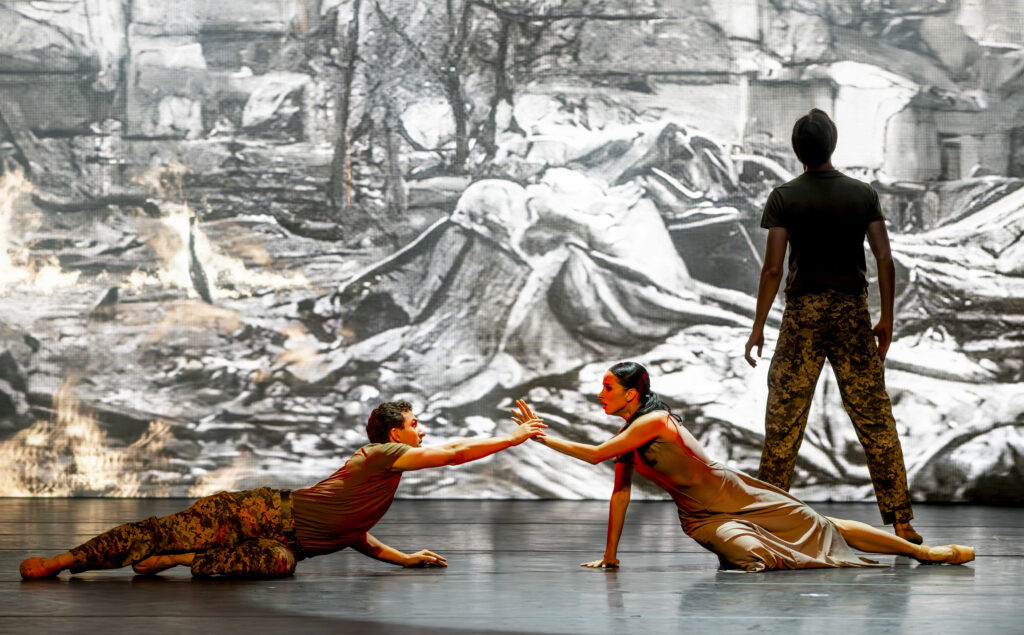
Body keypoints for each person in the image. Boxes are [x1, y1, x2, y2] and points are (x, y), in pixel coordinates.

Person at [518, 361, 972, 572]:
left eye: (607, 387)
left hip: (737, 494)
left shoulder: (653, 422)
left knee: (818, 525)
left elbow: (594, 454)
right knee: (751, 558)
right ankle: (797, 554)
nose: (601, 395)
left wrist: (538, 435)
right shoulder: (628, 440)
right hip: (699, 517)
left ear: (630, 394)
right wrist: (612, 557)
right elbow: (620, 493)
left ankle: (921, 553)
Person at [19, 401, 546, 579]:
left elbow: (350, 532)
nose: (422, 430)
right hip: (264, 513)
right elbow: (454, 453)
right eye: (415, 423)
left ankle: (180, 559)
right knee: (160, 531)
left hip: (286, 543)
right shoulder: (382, 456)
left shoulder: (383, 480)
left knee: (278, 565)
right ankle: (63, 562)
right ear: (394, 432)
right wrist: (517, 437)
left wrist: (404, 559)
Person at [743, 108, 922, 544]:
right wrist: (887, 318)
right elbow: (884, 258)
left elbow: (771, 269)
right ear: (833, 145)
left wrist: (758, 326)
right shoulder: (862, 194)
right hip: (851, 312)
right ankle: (901, 521)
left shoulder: (784, 196)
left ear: (796, 149)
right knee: (875, 418)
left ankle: (767, 519)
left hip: (803, 314)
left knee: (784, 417)